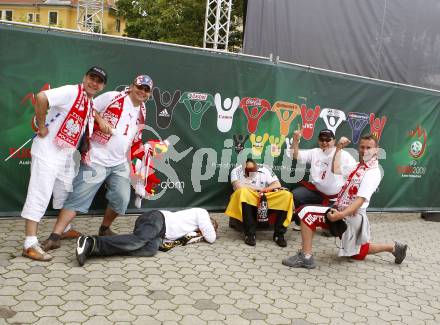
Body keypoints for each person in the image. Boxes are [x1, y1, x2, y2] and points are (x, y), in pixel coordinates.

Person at [41, 75, 154, 252]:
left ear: (149, 94)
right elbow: (88, 105)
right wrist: (100, 120)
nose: (142, 92)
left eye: (147, 90)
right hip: (97, 158)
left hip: (119, 162)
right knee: (78, 197)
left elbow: (133, 135)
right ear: (132, 86)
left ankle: (104, 228)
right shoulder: (113, 97)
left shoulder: (143, 109)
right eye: (140, 87)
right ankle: (55, 236)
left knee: (122, 199)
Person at [21, 66, 111, 261]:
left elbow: (91, 111)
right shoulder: (72, 91)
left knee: (64, 192)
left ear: (103, 86)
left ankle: (65, 229)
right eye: (91, 78)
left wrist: (100, 120)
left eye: (99, 81)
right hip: (48, 152)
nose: (94, 83)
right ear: (84, 77)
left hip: (65, 155)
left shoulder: (87, 101)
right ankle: (29, 243)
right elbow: (42, 97)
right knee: (40, 193)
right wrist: (42, 124)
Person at [282, 134, 408, 269]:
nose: (364, 151)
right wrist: (339, 148)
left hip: (351, 215)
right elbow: (335, 169)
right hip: (344, 212)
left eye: (369, 148)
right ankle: (394, 248)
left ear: (376, 150)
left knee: (306, 213)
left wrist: (340, 216)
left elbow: (360, 200)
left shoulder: (372, 172)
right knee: (357, 253)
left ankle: (306, 257)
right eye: (362, 147)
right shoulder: (358, 166)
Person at [75, 208, 218, 266]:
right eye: (211, 225)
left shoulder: (189, 231)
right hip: (157, 219)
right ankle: (91, 241)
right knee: (139, 240)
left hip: (159, 232)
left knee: (150, 249)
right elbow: (211, 237)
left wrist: (194, 235)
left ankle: (94, 250)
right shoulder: (202, 213)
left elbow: (166, 244)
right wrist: (205, 233)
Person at [290, 128, 356, 230]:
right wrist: (295, 140)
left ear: (334, 141)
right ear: (318, 140)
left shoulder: (344, 155)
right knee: (296, 195)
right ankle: (302, 221)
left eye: (328, 140)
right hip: (317, 192)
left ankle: (325, 220)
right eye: (321, 139)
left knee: (330, 231)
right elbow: (295, 155)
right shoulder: (315, 152)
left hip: (335, 199)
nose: (324, 142)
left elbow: (354, 176)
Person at [225, 158, 294, 247]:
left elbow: (277, 184)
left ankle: (279, 235)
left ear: (257, 169)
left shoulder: (265, 169)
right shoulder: (236, 170)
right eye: (247, 172)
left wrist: (264, 190)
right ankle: (250, 234)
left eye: (252, 171)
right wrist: (258, 189)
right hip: (249, 197)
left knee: (286, 195)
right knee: (243, 192)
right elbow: (238, 186)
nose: (250, 174)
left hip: (264, 195)